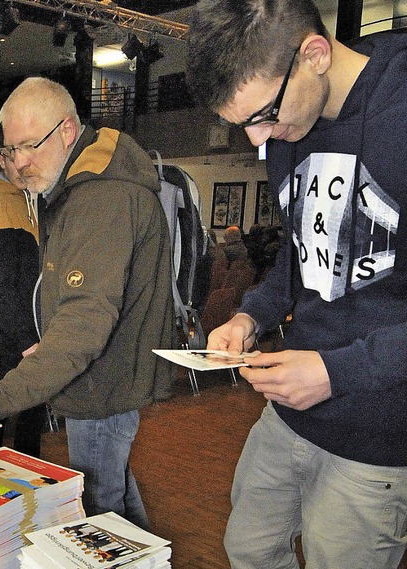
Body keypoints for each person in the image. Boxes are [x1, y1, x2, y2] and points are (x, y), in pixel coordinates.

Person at [186, 1, 407, 567]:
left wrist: (338, 372)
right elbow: (305, 243)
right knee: (249, 548)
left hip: (379, 422)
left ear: (314, 54)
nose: (261, 138)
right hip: (292, 403)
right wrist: (251, 316)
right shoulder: (289, 122)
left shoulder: (398, 114)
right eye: (245, 126)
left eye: (265, 114)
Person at [0, 77, 175, 530]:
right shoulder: (77, 187)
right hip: (99, 371)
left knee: (97, 511)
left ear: (68, 131)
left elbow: (86, 319)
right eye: (12, 150)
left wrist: (3, 392)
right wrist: (48, 345)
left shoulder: (100, 197)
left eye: (30, 145)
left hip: (101, 380)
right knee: (114, 490)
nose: (21, 162)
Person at [0, 140, 47, 458]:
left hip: (21, 331)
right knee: (8, 416)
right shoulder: (2, 204)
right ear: (2, 160)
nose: (24, 164)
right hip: (15, 334)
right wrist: (28, 340)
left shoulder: (20, 200)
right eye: (15, 157)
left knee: (15, 414)